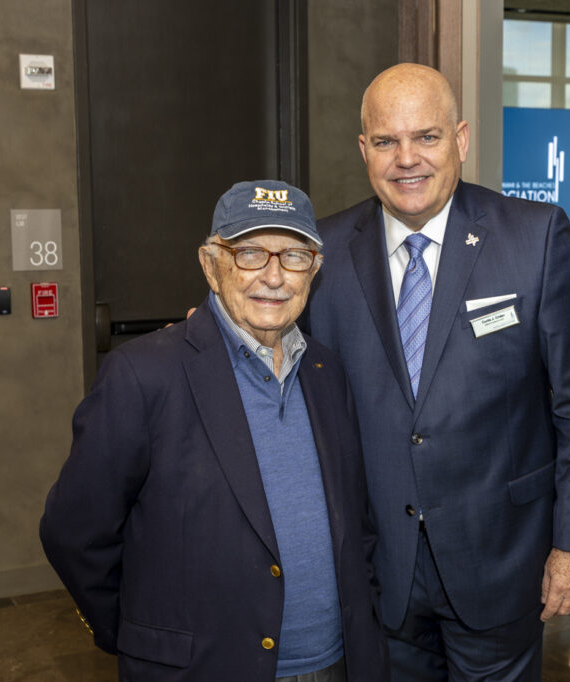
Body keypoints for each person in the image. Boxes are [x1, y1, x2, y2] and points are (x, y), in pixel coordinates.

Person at [301, 63, 570, 680]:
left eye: (427, 136)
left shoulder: (535, 238)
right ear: (364, 150)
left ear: (461, 139)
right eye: (387, 141)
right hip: (376, 567)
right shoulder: (322, 255)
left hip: (501, 556)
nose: (407, 159)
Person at [40, 180, 388, 682]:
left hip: (336, 663)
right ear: (210, 265)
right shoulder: (143, 375)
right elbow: (74, 532)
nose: (274, 277)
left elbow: (357, 524)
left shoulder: (327, 372)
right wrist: (141, 635)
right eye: (249, 253)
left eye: (294, 256)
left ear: (314, 270)